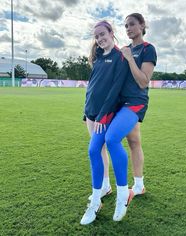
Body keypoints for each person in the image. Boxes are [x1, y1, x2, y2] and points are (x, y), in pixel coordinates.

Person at [104, 12, 157, 221]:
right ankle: (140, 185)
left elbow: (143, 81)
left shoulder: (147, 49)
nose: (128, 29)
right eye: (125, 26)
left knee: (112, 138)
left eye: (132, 24)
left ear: (142, 25)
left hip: (135, 102)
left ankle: (124, 190)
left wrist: (129, 59)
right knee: (134, 142)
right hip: (120, 103)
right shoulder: (124, 50)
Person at [80, 20, 129, 225]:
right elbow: (92, 87)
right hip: (91, 113)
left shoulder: (120, 57)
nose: (100, 39)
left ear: (111, 32)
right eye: (97, 36)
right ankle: (105, 187)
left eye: (103, 34)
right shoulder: (99, 58)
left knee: (95, 150)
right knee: (97, 151)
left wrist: (102, 114)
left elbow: (115, 90)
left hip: (105, 115)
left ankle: (103, 198)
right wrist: (86, 113)